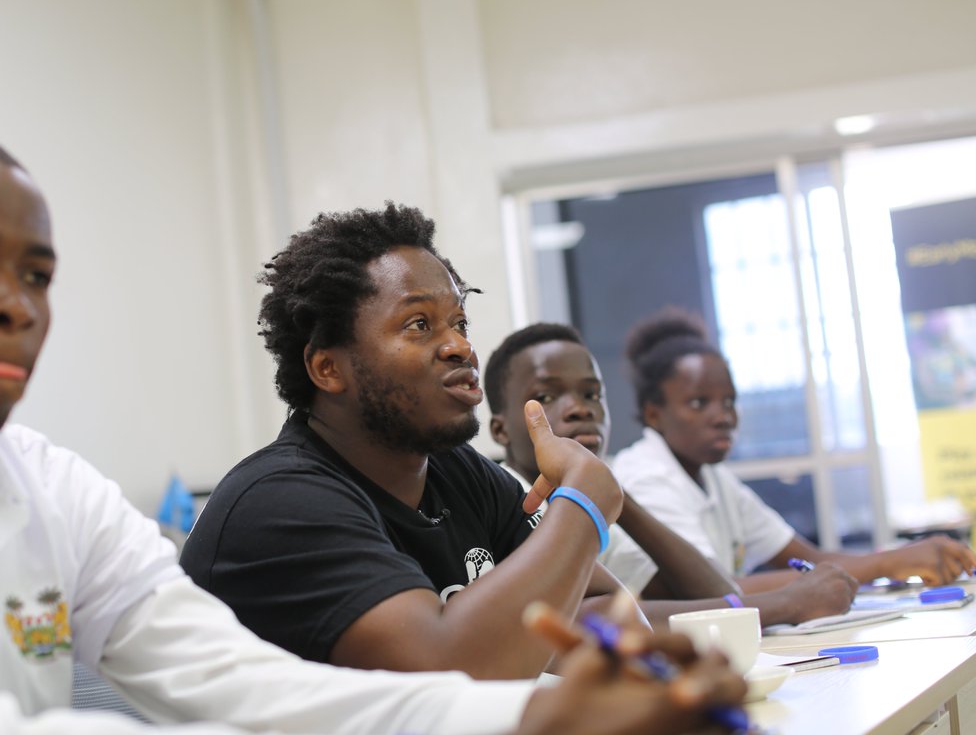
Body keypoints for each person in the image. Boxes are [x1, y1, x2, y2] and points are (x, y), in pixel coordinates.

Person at [0, 133, 744, 735]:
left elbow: (256, 690)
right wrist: (534, 707)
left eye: (35, 274)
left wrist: (547, 710)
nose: (13, 306)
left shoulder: (47, 486)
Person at [182, 204, 664, 682]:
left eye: (460, 322)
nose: (460, 346)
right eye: (419, 324)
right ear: (328, 368)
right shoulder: (279, 502)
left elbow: (609, 616)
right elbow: (444, 674)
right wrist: (582, 505)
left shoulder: (458, 472)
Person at [484, 322, 856, 626]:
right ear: (500, 431)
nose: (580, 409)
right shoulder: (506, 499)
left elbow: (710, 592)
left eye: (591, 394)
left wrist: (612, 493)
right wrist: (784, 604)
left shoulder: (591, 498)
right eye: (547, 397)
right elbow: (599, 621)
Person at [613, 307, 976, 592]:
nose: (722, 416)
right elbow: (713, 592)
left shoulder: (712, 477)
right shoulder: (645, 478)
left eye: (729, 401)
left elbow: (809, 560)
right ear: (653, 414)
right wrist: (884, 565)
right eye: (698, 403)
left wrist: (898, 559)